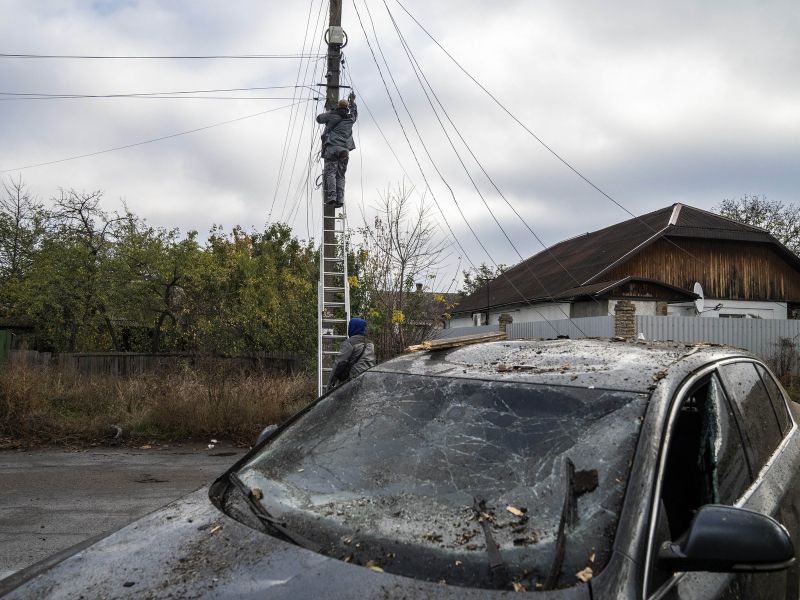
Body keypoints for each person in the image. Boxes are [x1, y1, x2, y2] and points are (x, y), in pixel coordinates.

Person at [316, 92, 357, 208]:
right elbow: (354, 111)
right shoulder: (351, 118)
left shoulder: (332, 115)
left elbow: (319, 119)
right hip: (345, 150)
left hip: (332, 148)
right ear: (347, 108)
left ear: (338, 106)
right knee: (341, 175)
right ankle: (340, 200)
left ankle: (332, 197)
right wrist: (352, 102)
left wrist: (331, 111)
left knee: (331, 173)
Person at [327, 317, 375, 390]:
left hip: (353, 382)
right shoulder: (370, 344)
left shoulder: (349, 343)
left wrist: (329, 385)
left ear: (352, 328)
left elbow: (339, 363)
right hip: (368, 380)